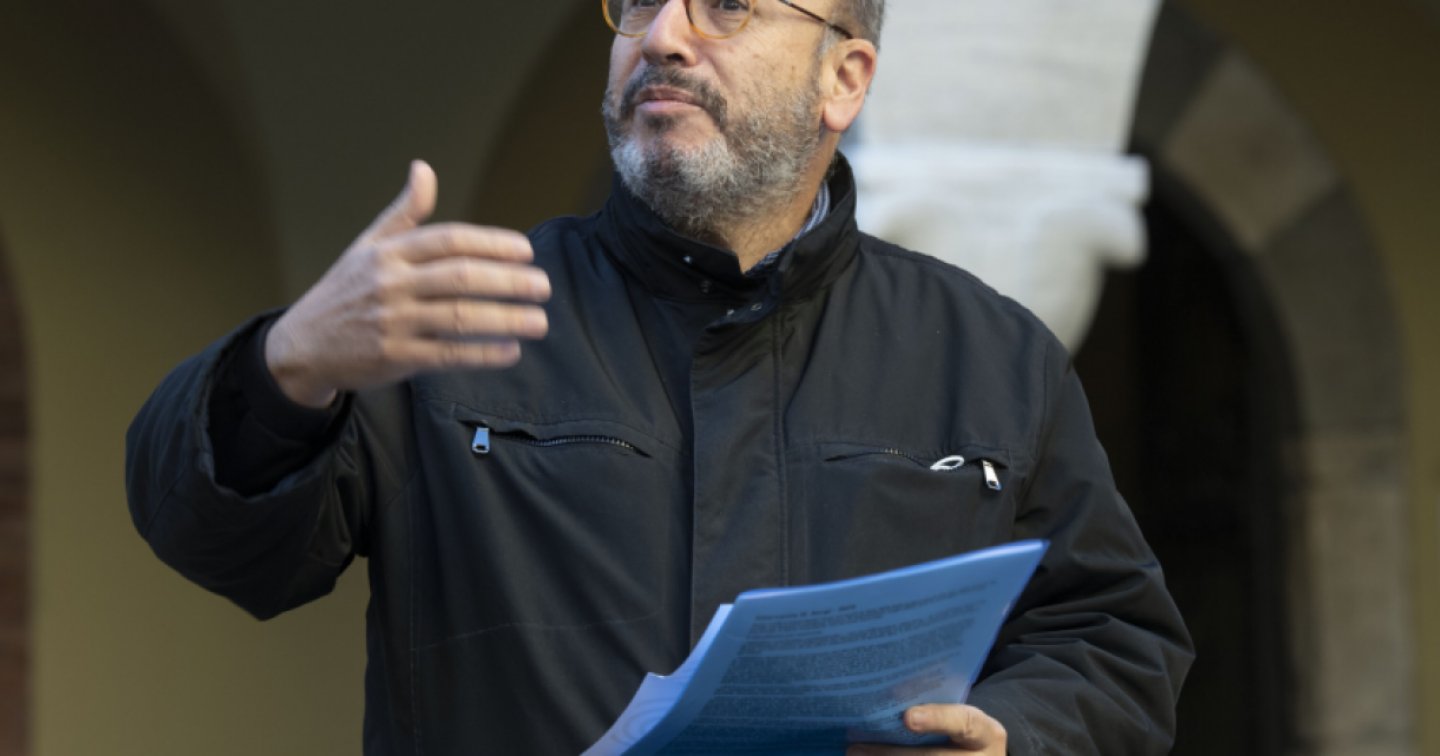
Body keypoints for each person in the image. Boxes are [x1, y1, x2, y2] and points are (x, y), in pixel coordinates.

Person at [126, 0, 1193, 753]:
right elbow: (213, 540)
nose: (662, 35)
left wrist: (1014, 736)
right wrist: (289, 364)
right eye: (637, 3)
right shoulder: (468, 318)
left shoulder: (990, 353)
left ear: (845, 79)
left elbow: (1114, 639)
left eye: (725, 5)